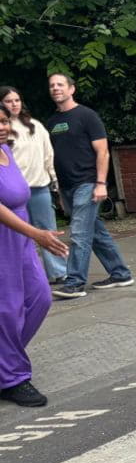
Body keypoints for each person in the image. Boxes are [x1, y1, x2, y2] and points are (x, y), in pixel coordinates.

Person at [0, 105, 69, 407]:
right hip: (5, 238)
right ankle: (13, 378)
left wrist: (33, 233)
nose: (2, 127)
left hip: (21, 237)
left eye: (4, 121)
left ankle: (5, 363)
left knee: (40, 297)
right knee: (7, 309)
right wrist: (36, 233)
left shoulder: (6, 151)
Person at [45, 73, 134, 299]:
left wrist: (101, 183)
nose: (56, 88)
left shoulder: (87, 116)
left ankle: (75, 283)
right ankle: (120, 273)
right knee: (95, 233)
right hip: (67, 186)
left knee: (79, 234)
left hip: (88, 182)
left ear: (71, 89)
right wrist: (59, 190)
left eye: (60, 85)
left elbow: (102, 151)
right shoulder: (52, 122)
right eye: (52, 86)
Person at [1, 88, 66, 284]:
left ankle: (58, 272)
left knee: (47, 229)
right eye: (9, 101)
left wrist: (55, 183)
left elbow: (48, 155)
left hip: (38, 187)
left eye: (17, 100)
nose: (14, 104)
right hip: (10, 194)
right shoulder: (4, 132)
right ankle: (21, 276)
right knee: (17, 235)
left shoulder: (36, 126)